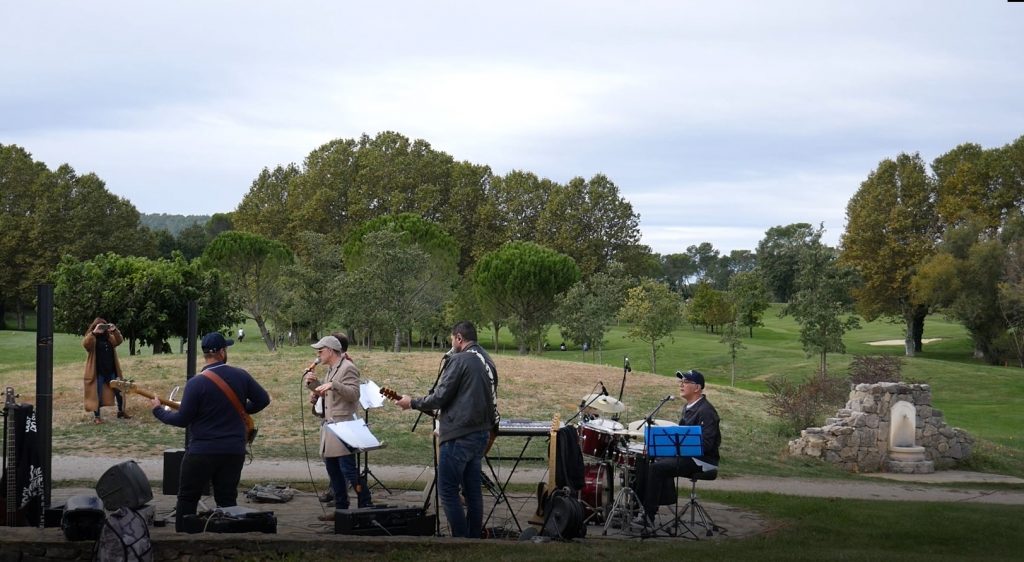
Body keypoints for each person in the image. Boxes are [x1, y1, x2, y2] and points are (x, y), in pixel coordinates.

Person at [149, 332, 270, 532]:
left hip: (202, 451)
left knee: (188, 498)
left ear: (206, 354)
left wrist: (158, 411)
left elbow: (182, 420)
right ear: (222, 352)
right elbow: (263, 400)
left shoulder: (196, 383)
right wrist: (241, 409)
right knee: (227, 500)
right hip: (233, 451)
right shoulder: (241, 375)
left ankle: (184, 538)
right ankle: (228, 540)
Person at [396, 321, 499, 538]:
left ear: (459, 338)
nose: (451, 343)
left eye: (452, 338)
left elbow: (441, 396)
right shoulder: (486, 360)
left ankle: (460, 541)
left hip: (459, 436)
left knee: (448, 491)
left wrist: (412, 402)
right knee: (472, 492)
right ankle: (472, 539)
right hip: (481, 433)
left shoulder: (460, 359)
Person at [637, 369, 721, 526]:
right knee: (645, 459)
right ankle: (638, 507)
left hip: (702, 459)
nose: (681, 385)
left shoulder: (706, 411)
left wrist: (679, 450)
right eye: (680, 382)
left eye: (686, 382)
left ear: (697, 387)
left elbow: (708, 444)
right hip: (687, 455)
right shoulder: (688, 407)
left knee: (657, 468)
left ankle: (648, 517)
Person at [303, 334, 373, 519]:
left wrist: (333, 385)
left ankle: (366, 504)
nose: (318, 354)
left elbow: (354, 394)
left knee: (348, 470)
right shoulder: (331, 369)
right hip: (331, 427)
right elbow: (330, 395)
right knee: (334, 471)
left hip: (344, 427)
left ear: (331, 350)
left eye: (320, 350)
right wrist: (314, 388)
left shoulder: (348, 368)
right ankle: (341, 509)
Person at [82, 317, 129, 423]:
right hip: (98, 372)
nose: (103, 329)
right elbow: (85, 344)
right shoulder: (92, 339)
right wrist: (94, 332)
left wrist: (114, 330)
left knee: (119, 391)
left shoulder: (109, 338)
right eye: (101, 327)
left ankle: (121, 411)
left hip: (111, 370)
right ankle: (97, 417)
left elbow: (119, 341)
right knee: (96, 394)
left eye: (104, 326)